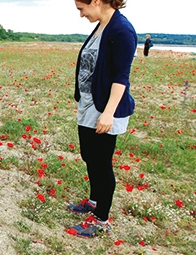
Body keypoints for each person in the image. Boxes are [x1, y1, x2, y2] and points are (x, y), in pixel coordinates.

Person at [66, 0, 137, 237]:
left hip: (105, 108)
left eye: (81, 8)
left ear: (96, 1)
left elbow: (121, 76)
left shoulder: (121, 30)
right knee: (89, 155)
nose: (80, 14)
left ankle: (101, 220)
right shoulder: (101, 26)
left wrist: (108, 113)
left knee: (101, 162)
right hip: (89, 104)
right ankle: (95, 201)